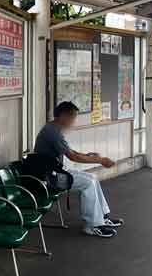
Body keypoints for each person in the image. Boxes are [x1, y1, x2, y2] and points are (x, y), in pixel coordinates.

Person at [28, 102, 122, 239]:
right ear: (63, 116)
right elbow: (72, 156)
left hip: (53, 172)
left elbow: (70, 151)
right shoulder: (52, 132)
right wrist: (100, 161)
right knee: (88, 183)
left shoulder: (53, 128)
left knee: (92, 178)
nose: (73, 121)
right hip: (48, 177)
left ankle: (102, 217)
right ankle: (92, 225)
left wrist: (87, 155)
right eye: (72, 117)